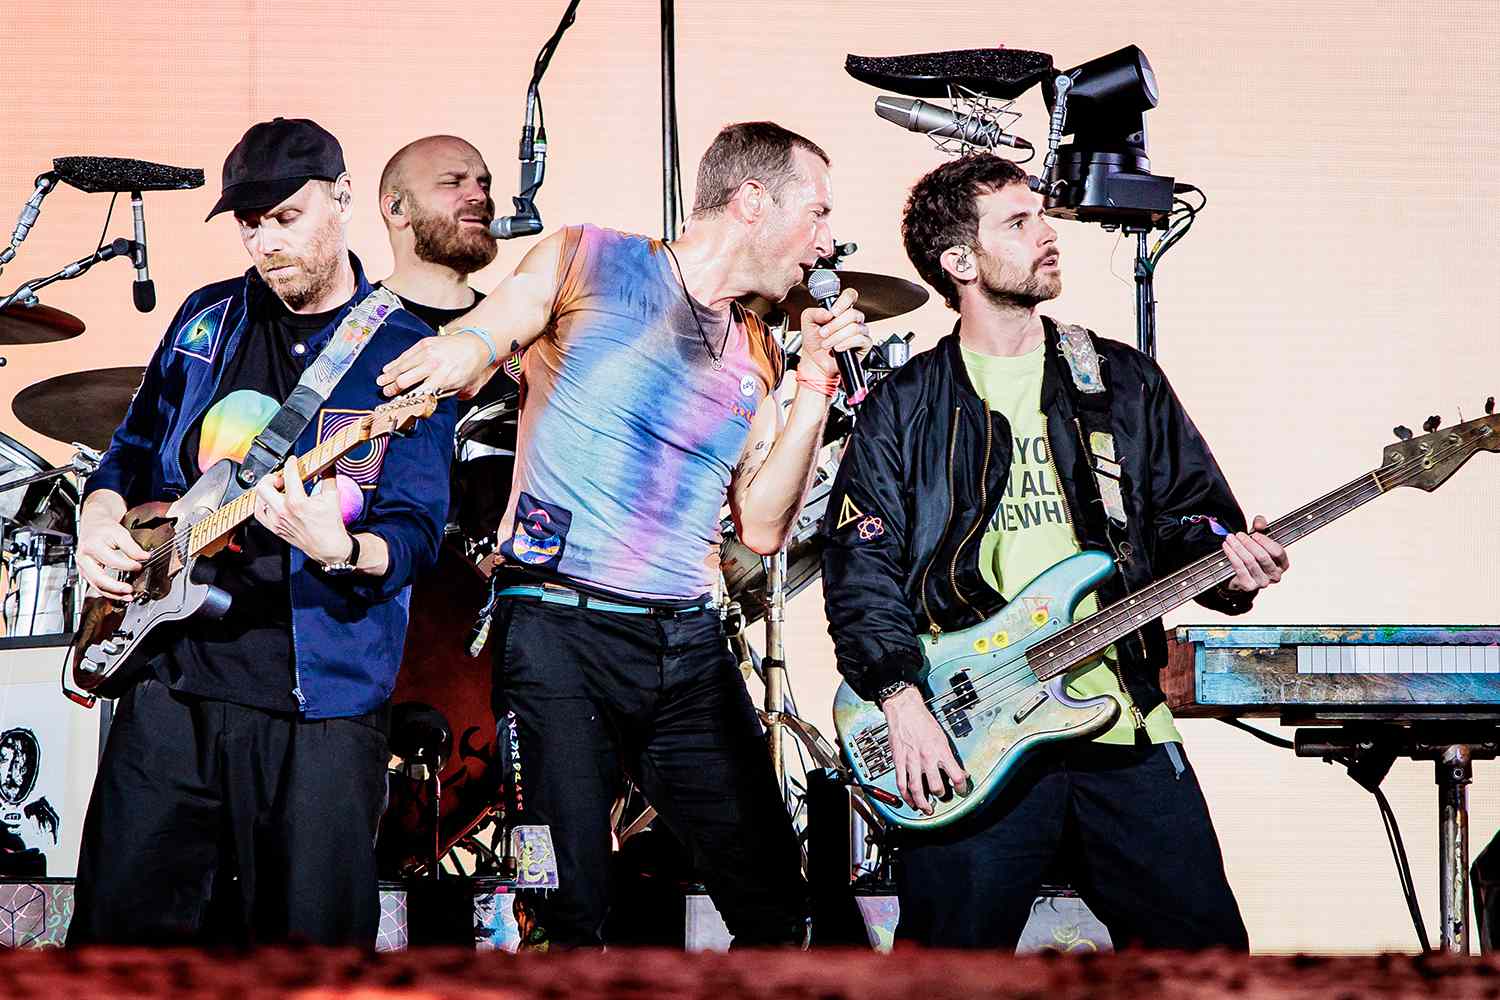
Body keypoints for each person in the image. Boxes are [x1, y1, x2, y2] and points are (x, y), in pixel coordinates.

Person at [377, 121, 870, 947]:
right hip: (559, 634)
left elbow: (762, 524)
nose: (827, 239)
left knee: (775, 907)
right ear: (751, 202)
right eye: (816, 213)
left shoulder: (756, 349)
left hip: (686, 648)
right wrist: (459, 351)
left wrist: (815, 387)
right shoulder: (590, 257)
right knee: (569, 911)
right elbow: (497, 324)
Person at [820, 153, 1289, 951]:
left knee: (1208, 965)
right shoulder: (906, 405)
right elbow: (860, 568)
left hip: (1118, 724)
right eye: (1017, 221)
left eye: (1039, 214)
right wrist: (902, 703)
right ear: (959, 262)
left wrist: (1232, 563)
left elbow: (1191, 522)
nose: (1046, 233)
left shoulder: (1120, 381)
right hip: (968, 727)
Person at [68, 117, 456, 946]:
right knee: (117, 946)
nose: (265, 242)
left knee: (308, 956)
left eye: (287, 217)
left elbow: (417, 532)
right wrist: (97, 516)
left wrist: (342, 547)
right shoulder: (207, 319)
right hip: (169, 684)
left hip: (318, 704)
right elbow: (130, 452)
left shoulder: (403, 352)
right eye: (250, 223)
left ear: (344, 199)